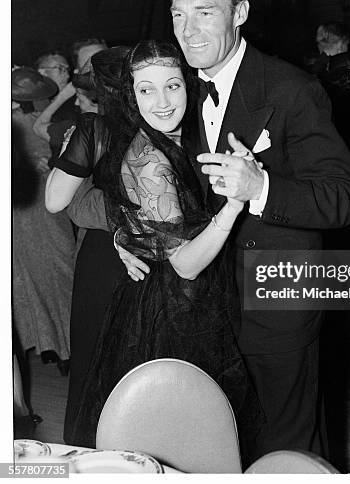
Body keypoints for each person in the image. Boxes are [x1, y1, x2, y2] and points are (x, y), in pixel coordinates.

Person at [70, 0, 350, 461]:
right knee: (219, 450)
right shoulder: (174, 86)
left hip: (278, 305)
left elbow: (345, 197)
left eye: (205, 12)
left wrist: (262, 186)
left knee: (287, 453)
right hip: (206, 314)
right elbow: (130, 183)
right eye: (178, 14)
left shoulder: (291, 88)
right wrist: (131, 230)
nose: (188, 29)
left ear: (240, 12)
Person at [65, 40, 263, 461]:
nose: (162, 101)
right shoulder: (150, 160)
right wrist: (233, 206)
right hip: (167, 311)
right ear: (131, 95)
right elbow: (188, 264)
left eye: (172, 85)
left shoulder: (172, 139)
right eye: (146, 89)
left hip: (177, 302)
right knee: (177, 440)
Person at [45, 47, 129, 444]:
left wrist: (67, 156)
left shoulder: (93, 127)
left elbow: (55, 200)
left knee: (94, 355)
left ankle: (89, 452)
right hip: (158, 253)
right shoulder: (170, 122)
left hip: (105, 255)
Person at [12, 67, 75, 371]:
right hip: (45, 208)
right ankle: (66, 347)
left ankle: (56, 346)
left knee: (37, 280)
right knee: (60, 275)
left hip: (28, 211)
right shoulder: (39, 121)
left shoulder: (18, 123)